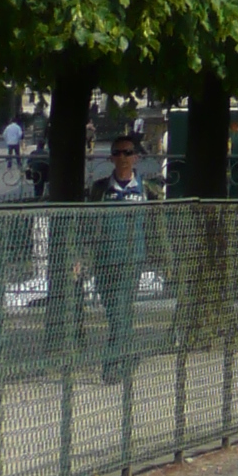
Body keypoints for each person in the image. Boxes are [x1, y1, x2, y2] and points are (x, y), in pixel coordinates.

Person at [92, 134, 148, 386]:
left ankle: (111, 365)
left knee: (120, 313)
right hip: (105, 262)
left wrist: (166, 262)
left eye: (127, 152)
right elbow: (87, 225)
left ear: (136, 156)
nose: (122, 158)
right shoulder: (99, 190)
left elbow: (155, 228)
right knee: (115, 313)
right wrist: (81, 257)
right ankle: (129, 354)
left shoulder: (147, 189)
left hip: (131, 262)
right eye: (117, 153)